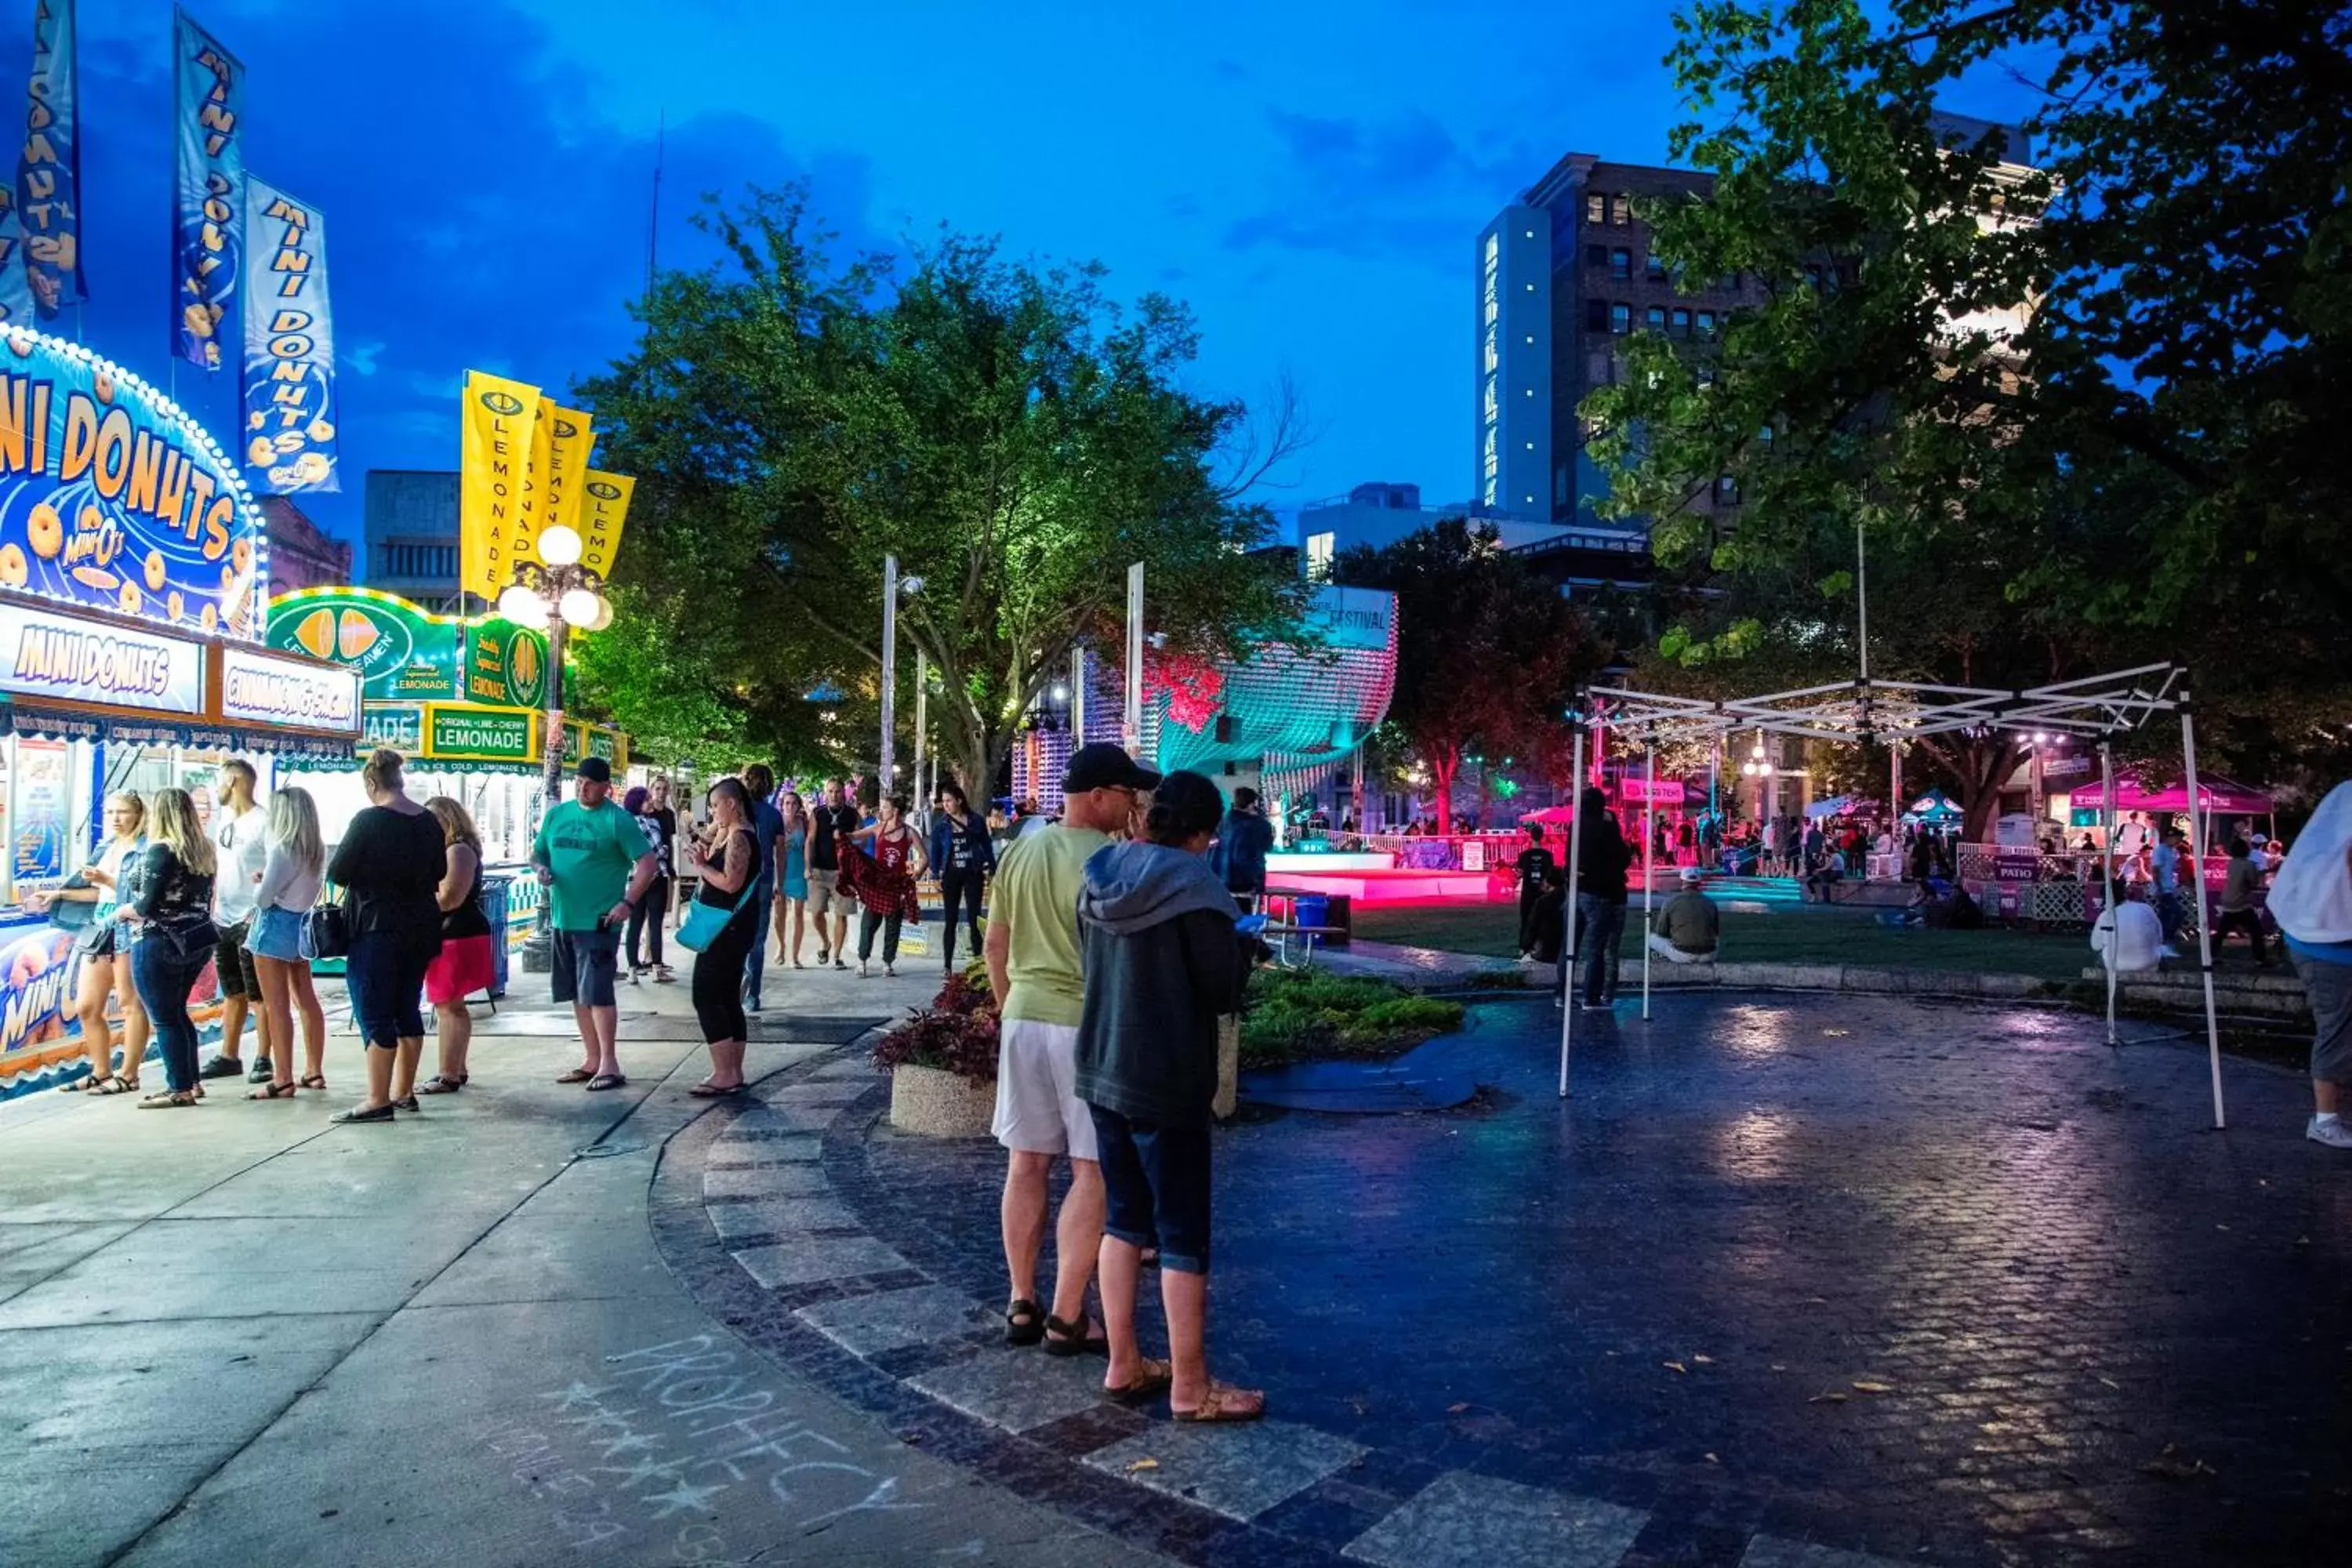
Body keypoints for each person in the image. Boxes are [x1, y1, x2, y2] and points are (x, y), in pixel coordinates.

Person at [1074, 770, 1260, 1423]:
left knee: (1124, 1220)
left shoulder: (1100, 873)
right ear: (1203, 833)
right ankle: (1191, 1387)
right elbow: (1220, 989)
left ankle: (1123, 1364)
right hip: (1167, 1077)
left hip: (1101, 1067)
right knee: (1182, 1233)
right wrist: (1244, 952)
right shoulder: (1196, 889)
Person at [986, 742, 1159, 1354]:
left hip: (1023, 1017)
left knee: (1026, 1163)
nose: (1135, 805)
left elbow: (994, 949)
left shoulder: (1020, 849)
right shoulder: (1115, 859)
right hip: (1087, 1026)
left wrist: (1011, 1006)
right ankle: (1065, 1317)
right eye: (1129, 794)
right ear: (1099, 797)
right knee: (1093, 1171)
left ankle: (1021, 1301)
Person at [325, 750, 448, 1123]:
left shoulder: (368, 820)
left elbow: (338, 872)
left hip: (376, 926)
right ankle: (404, 1092)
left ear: (372, 784)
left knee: (375, 1010)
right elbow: (439, 870)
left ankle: (377, 1099)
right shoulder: (429, 821)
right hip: (421, 927)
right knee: (407, 1006)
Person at [533, 756, 661, 1093]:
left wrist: (628, 901)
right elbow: (539, 853)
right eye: (579, 782)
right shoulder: (557, 815)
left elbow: (648, 864)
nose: (582, 788)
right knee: (577, 992)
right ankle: (591, 1058)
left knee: (598, 992)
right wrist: (540, 870)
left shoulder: (617, 821)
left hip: (599, 919)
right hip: (563, 917)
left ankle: (609, 1062)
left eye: (590, 783)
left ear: (607, 788)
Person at [27, 793, 151, 1094]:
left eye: (122, 812)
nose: (116, 818)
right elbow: (97, 894)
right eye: (110, 812)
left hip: (129, 929)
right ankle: (101, 1070)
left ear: (138, 814)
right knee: (86, 1006)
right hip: (99, 928)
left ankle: (129, 1074)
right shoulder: (106, 846)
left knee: (130, 1004)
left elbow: (146, 894)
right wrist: (60, 894)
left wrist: (109, 881)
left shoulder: (146, 848)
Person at [116, 789, 219, 1109]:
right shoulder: (204, 850)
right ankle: (192, 1081)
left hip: (158, 940)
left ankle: (179, 1089)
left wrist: (120, 912)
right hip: (195, 940)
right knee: (177, 1012)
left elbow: (145, 906)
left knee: (164, 1017)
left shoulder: (161, 850)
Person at [2267, 781, 2352, 1148]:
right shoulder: (2335, 859)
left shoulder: (2336, 817)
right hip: (2325, 945)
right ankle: (2325, 1119)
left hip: (2322, 937)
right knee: (2336, 1027)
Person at [244, 787, 328, 1099]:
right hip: (302, 925)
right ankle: (314, 1070)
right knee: (306, 999)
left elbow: (264, 899)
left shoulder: (282, 848)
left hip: (274, 926)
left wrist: (260, 883)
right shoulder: (316, 849)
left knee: (276, 1006)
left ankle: (282, 1078)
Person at [686, 777, 763, 1096]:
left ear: (732, 803)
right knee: (728, 995)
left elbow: (731, 883)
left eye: (716, 805)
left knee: (705, 993)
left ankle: (725, 1072)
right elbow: (707, 836)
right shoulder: (732, 833)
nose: (713, 811)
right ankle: (731, 1070)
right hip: (731, 926)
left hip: (727, 928)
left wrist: (703, 867)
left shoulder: (740, 838)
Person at [198, 759, 271, 1087]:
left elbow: (279, 864)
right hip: (223, 917)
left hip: (251, 916)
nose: (217, 789)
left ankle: (265, 1056)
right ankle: (230, 1055)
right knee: (232, 991)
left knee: (260, 995)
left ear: (235, 781)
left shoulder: (264, 822)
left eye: (220, 782)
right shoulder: (225, 822)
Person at [416, 797, 495, 1094]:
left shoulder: (458, 850)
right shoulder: (457, 849)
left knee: (448, 1005)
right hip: (459, 931)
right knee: (452, 1005)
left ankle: (448, 1073)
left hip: (457, 932)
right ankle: (456, 1069)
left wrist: (418, 902)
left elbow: (451, 897)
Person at [1562, 786, 1630, 1011]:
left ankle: (1562, 994)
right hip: (1597, 893)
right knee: (1596, 949)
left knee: (1570, 945)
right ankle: (1590, 997)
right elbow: (1622, 856)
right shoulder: (1606, 827)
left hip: (1575, 890)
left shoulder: (1575, 825)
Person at [847, 796, 927, 978]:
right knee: (868, 924)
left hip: (897, 885)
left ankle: (887, 963)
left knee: (893, 926)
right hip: (877, 883)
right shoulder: (877, 828)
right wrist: (839, 836)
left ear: (895, 811)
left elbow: (925, 857)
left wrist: (917, 874)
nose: (880, 811)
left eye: (884, 807)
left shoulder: (909, 832)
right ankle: (862, 961)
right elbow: (854, 837)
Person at [928, 781, 994, 973]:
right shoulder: (941, 826)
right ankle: (947, 965)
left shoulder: (976, 821)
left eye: (949, 800)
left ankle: (978, 964)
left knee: (975, 918)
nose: (946, 805)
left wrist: (991, 867)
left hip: (973, 872)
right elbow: (936, 851)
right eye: (944, 801)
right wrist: (934, 874)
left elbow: (987, 845)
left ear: (959, 800)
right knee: (951, 919)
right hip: (951, 874)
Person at [736, 764, 785, 1011]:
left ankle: (737, 984)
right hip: (764, 881)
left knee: (735, 935)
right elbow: (781, 853)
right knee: (758, 939)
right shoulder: (774, 815)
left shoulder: (737, 810)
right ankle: (752, 996)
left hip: (737, 881)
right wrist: (781, 883)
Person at [622, 784, 673, 983]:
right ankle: (657, 967)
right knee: (655, 923)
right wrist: (660, 853)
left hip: (634, 879)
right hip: (655, 876)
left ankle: (632, 969)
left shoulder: (625, 825)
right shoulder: (650, 823)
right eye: (646, 799)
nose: (651, 801)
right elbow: (660, 851)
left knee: (634, 924)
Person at [808, 777, 858, 969]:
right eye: (830, 791)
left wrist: (849, 838)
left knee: (841, 914)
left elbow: (862, 837)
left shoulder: (852, 814)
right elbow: (810, 840)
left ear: (843, 793)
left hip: (843, 872)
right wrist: (807, 866)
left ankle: (836, 955)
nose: (834, 795)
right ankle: (825, 942)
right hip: (820, 870)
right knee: (816, 912)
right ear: (825, 793)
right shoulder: (818, 813)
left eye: (837, 791)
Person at [1208, 787, 1275, 913]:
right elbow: (1267, 847)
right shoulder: (1259, 825)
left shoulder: (1223, 822)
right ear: (1252, 804)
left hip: (1222, 880)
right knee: (1245, 922)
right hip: (1247, 882)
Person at [2212, 837, 2272, 967]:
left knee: (2222, 932)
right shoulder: (2248, 864)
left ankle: (2212, 955)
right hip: (2241, 902)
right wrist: (2269, 870)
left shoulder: (2231, 863)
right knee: (2256, 932)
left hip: (2227, 900)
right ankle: (2260, 959)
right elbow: (2253, 881)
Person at [1647, 866, 1721, 964]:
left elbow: (1661, 932)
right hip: (1709, 954)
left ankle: (1661, 966)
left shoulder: (1671, 902)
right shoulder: (1711, 903)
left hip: (1682, 954)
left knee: (1651, 939)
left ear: (1682, 881)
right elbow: (1716, 931)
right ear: (1699, 882)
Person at [774, 789, 814, 969]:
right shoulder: (776, 823)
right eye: (787, 803)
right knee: (779, 914)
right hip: (780, 873)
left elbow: (809, 846)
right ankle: (781, 946)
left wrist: (808, 867)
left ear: (798, 806)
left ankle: (795, 956)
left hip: (798, 872)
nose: (790, 806)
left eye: (794, 803)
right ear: (782, 805)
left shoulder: (803, 823)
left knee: (798, 913)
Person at [1513, 822, 1556, 960]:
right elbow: (1550, 874)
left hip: (1528, 892)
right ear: (1542, 837)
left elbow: (1519, 873)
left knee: (1526, 920)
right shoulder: (1548, 855)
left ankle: (1523, 948)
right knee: (1543, 921)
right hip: (1542, 893)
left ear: (1530, 837)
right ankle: (1541, 948)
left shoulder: (1524, 855)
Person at [2151, 826, 2187, 954]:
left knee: (2164, 917)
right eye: (2177, 838)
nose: (2178, 841)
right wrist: (2159, 888)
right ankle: (2167, 941)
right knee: (2176, 914)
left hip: (2170, 887)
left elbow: (2172, 868)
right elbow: (2155, 871)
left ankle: (2161, 943)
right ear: (2169, 837)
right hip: (2163, 888)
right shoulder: (2160, 850)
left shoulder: (2173, 851)